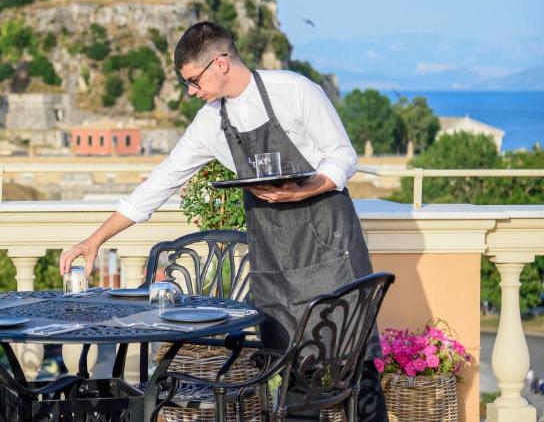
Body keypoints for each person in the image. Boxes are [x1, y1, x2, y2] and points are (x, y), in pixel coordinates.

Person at [59, 21, 387, 421]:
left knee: (357, 371)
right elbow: (160, 182)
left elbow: (342, 155)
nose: (192, 92)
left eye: (194, 81)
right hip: (276, 262)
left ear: (220, 63)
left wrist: (304, 189)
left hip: (330, 249)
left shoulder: (295, 90)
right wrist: (94, 241)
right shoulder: (210, 122)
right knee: (291, 377)